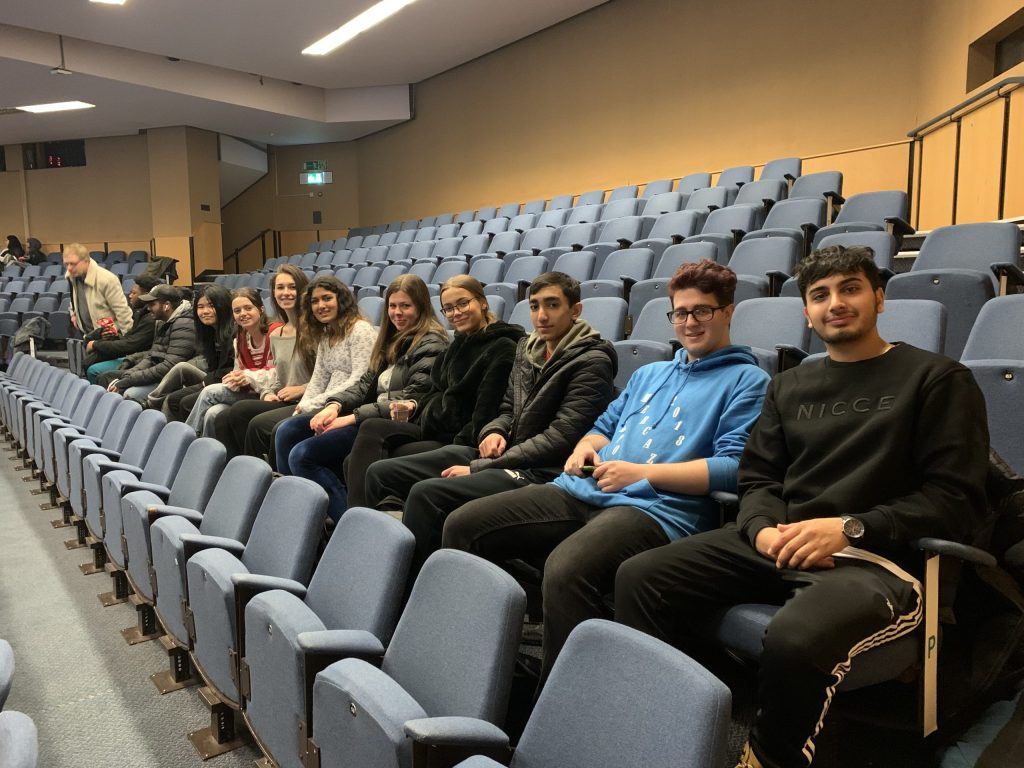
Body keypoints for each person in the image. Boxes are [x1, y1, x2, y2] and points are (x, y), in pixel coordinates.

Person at [614, 246, 990, 768]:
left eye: (850, 288)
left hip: (877, 560)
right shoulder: (789, 385)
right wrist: (762, 529)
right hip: (779, 542)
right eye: (820, 295)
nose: (835, 303)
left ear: (879, 297)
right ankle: (687, 721)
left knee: (792, 639)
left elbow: (956, 499)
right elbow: (758, 479)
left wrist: (851, 528)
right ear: (808, 312)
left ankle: (768, 757)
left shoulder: (937, 379)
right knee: (639, 577)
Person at [441, 260, 770, 683]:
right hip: (585, 488)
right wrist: (583, 449)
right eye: (680, 312)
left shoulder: (748, 380)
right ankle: (477, 671)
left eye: (702, 311)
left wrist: (641, 475)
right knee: (462, 524)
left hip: (658, 510)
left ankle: (564, 698)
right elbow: (602, 427)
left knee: (566, 568)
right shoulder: (651, 373)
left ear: (727, 312)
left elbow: (733, 469)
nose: (689, 322)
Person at [364, 271, 617, 574]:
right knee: (380, 473)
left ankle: (413, 587)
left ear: (575, 310)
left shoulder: (591, 361)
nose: (541, 315)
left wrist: (480, 467)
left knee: (427, 494)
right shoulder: (529, 349)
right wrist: (495, 430)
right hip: (506, 453)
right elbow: (508, 407)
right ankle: (383, 564)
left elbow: (561, 437)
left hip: (542, 471)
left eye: (552, 305)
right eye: (535, 306)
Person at [338, 275, 525, 508]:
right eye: (448, 308)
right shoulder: (458, 343)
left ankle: (363, 520)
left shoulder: (501, 347)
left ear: (483, 302)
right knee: (366, 437)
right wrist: (414, 405)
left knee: (364, 462)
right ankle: (369, 516)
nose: (456, 313)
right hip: (434, 427)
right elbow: (434, 393)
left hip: (460, 439)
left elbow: (485, 412)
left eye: (463, 304)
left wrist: (443, 430)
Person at [280, 274, 448, 522]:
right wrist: (334, 405)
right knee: (291, 428)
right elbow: (364, 384)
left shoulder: (431, 343)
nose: (397, 313)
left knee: (302, 455)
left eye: (405, 306)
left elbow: (412, 397)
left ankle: (345, 522)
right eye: (392, 306)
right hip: (372, 414)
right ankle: (301, 513)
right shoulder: (391, 340)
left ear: (421, 307)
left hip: (398, 421)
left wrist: (351, 418)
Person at [269, 275, 377, 470]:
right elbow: (319, 378)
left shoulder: (360, 330)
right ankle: (287, 489)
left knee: (292, 439)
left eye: (327, 298)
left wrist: (318, 403)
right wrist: (302, 407)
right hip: (327, 405)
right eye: (315, 301)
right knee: (285, 428)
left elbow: (360, 380)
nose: (321, 305)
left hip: (350, 406)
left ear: (341, 300)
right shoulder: (327, 335)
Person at [213, 265, 314, 460]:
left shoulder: (315, 330)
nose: (285, 293)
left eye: (292, 287)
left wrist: (302, 388)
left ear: (302, 290)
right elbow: (279, 376)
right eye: (280, 288)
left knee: (243, 412)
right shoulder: (277, 334)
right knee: (222, 419)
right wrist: (268, 393)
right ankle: (238, 470)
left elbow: (324, 375)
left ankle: (261, 472)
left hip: (308, 398)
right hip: (284, 397)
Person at [183, 288, 282, 435]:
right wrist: (235, 379)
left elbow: (280, 374)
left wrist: (247, 377)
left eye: (248, 308)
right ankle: (211, 453)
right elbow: (238, 371)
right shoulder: (240, 337)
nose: (242, 314)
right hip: (251, 390)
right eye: (237, 311)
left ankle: (186, 439)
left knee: (209, 392)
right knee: (213, 413)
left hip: (271, 391)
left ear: (261, 309)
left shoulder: (275, 333)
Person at [144, 283, 235, 418]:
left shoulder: (234, 333)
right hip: (214, 377)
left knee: (176, 400)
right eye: (200, 307)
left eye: (211, 306)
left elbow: (230, 370)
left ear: (223, 306)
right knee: (181, 370)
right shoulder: (208, 332)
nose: (205, 311)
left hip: (228, 382)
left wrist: (204, 383)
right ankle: (151, 405)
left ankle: (182, 436)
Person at [96, 284, 196, 401]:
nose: (148, 308)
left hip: (171, 380)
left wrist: (130, 379)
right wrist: (129, 375)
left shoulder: (184, 324)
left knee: (129, 393)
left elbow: (169, 366)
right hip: (157, 373)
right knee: (106, 377)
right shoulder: (162, 321)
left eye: (152, 304)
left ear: (166, 306)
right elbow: (151, 356)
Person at [82, 274, 161, 384]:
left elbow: (131, 346)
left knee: (93, 370)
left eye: (134, 293)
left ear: (146, 295)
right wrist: (114, 336)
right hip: (134, 355)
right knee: (92, 359)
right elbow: (130, 339)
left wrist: (96, 344)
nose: (130, 296)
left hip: (140, 360)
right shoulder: (141, 313)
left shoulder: (150, 319)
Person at [63, 243, 133, 337]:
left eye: (73, 264)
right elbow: (74, 300)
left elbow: (122, 312)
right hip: (88, 336)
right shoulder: (72, 277)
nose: (69, 268)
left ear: (86, 261)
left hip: (110, 339)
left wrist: (128, 340)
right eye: (66, 264)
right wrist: (73, 314)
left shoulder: (107, 279)